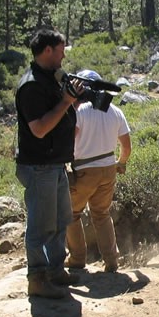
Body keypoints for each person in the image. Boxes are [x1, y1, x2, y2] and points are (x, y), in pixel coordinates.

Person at [15, 28, 84, 299]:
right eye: (61, 49)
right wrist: (66, 101)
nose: (64, 54)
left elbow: (58, 117)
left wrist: (71, 104)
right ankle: (37, 278)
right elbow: (40, 129)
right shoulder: (32, 85)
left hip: (54, 163)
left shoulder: (49, 80)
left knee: (60, 220)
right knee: (40, 225)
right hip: (39, 165)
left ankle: (55, 269)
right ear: (47, 51)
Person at [66, 69, 132, 273]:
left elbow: (70, 141)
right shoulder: (115, 111)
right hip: (108, 168)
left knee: (72, 214)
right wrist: (121, 163)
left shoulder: (80, 111)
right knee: (102, 214)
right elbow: (127, 146)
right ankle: (111, 261)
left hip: (85, 169)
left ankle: (77, 258)